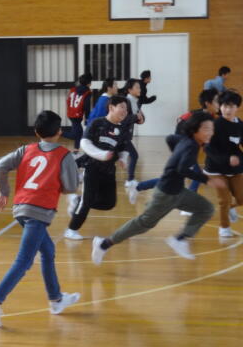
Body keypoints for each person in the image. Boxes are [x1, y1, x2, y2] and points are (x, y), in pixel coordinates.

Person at [0, 111, 80, 328]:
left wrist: (4, 192)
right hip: (39, 212)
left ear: (36, 132)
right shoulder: (64, 155)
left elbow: (0, 166)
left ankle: (56, 299)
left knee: (48, 251)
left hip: (21, 209)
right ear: (59, 132)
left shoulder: (26, 149)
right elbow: (71, 187)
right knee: (24, 261)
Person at [92, 111, 223, 264]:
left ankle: (180, 239)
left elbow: (170, 138)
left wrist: (176, 155)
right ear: (195, 129)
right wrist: (207, 180)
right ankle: (104, 244)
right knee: (143, 224)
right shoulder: (190, 146)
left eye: (211, 128)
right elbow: (182, 169)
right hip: (166, 194)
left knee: (206, 208)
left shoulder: (185, 140)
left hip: (178, 191)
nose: (210, 132)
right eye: (206, 128)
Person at [127, 88, 220, 205]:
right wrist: (183, 146)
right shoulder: (194, 115)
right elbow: (179, 122)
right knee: (195, 174)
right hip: (183, 148)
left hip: (186, 149)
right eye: (216, 101)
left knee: (172, 179)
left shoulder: (212, 118)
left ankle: (138, 187)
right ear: (208, 103)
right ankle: (189, 203)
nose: (219, 104)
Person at [64, 95, 131, 240]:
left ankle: (77, 200)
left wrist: (123, 159)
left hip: (109, 170)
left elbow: (124, 148)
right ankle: (71, 230)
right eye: (122, 107)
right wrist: (101, 154)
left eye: (126, 109)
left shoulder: (123, 129)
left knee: (109, 203)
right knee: (87, 202)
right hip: (92, 168)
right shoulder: (97, 123)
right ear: (111, 107)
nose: (125, 111)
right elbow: (85, 143)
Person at [203, 90, 243, 237]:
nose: (227, 109)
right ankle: (224, 227)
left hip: (235, 168)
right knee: (224, 200)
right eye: (225, 106)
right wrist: (226, 159)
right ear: (220, 107)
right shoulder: (215, 125)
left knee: (241, 198)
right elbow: (208, 148)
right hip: (216, 169)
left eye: (231, 106)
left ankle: (232, 207)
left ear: (237, 107)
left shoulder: (240, 124)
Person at [121, 79, 146, 189]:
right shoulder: (127, 102)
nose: (139, 89)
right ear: (129, 90)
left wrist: (140, 119)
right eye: (137, 87)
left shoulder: (134, 101)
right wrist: (136, 117)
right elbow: (124, 119)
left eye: (140, 87)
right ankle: (130, 180)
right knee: (134, 155)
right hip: (121, 135)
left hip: (125, 135)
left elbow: (138, 117)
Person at [63, 74, 92, 154]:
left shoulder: (73, 89)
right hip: (77, 115)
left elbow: (68, 100)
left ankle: (76, 150)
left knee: (79, 132)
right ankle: (59, 132)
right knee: (74, 135)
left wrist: (70, 109)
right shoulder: (87, 92)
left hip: (71, 113)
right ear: (89, 83)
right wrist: (87, 118)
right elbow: (86, 106)